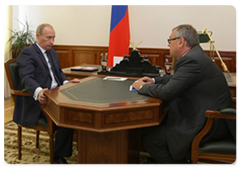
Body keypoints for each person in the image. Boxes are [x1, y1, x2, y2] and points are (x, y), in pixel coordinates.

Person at [132, 24, 236, 164]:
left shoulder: (191, 60)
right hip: (207, 116)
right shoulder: (194, 55)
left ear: (181, 41)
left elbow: (168, 91)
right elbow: (177, 79)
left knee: (151, 139)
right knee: (157, 127)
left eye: (170, 40)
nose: (168, 44)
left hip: (208, 124)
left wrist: (142, 87)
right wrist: (154, 80)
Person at [14, 23, 80, 165]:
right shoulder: (27, 53)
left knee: (77, 108)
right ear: (38, 36)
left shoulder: (52, 52)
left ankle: (79, 147)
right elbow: (26, 77)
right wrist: (38, 92)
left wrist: (67, 83)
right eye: (48, 38)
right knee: (67, 116)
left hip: (56, 95)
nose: (52, 41)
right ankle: (58, 158)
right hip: (40, 101)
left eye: (53, 38)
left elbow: (59, 74)